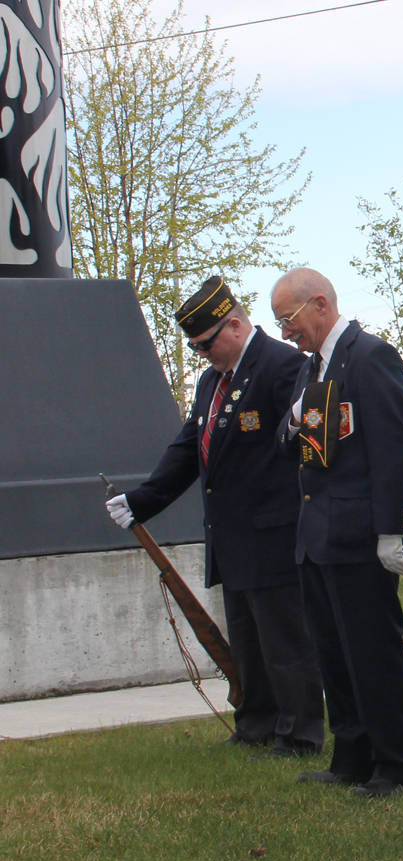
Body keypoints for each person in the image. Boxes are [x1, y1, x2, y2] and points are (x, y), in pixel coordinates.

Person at [106, 276, 324, 759]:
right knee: (247, 640)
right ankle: (257, 723)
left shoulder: (284, 367)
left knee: (285, 641)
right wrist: (143, 501)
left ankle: (300, 734)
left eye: (205, 344)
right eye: (195, 346)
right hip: (231, 535)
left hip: (275, 530)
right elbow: (189, 449)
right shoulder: (211, 381)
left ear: (235, 324)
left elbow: (298, 450)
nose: (201, 354)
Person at [270, 266, 403, 799]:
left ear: (319, 304)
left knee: (371, 652)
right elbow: (291, 447)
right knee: (333, 652)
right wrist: (292, 422)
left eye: (287, 319)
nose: (286, 332)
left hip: (359, 534)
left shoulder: (369, 355)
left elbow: (391, 448)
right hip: (316, 535)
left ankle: (396, 764)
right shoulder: (309, 366)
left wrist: (389, 531)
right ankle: (351, 755)